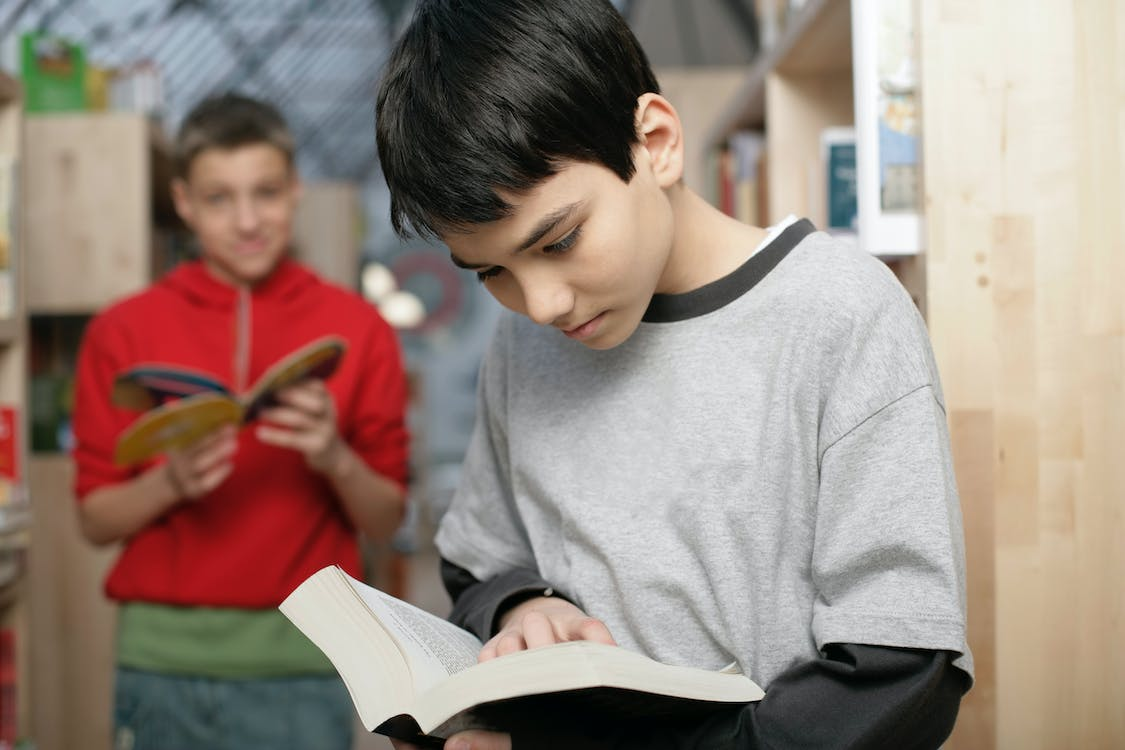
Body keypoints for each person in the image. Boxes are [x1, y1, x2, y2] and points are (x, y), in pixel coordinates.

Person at [375, 1, 972, 749]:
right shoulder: (524, 343)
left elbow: (901, 668)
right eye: (491, 270)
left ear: (654, 143)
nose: (541, 304)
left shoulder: (840, 315)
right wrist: (523, 609)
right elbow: (481, 559)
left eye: (559, 241)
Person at [72, 93, 410, 750]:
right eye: (220, 198)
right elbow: (93, 520)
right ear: (184, 203)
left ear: (295, 192)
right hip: (161, 663)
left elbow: (387, 520)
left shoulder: (359, 329)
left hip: (306, 660)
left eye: (266, 192)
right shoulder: (122, 330)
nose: (248, 220)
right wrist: (171, 482)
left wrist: (333, 456)